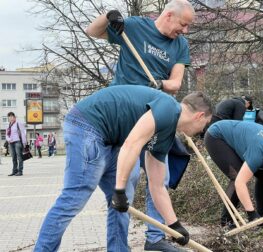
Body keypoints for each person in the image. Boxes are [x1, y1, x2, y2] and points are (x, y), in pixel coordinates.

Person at [34, 85, 212, 252]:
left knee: (122, 201)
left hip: (110, 140)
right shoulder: (169, 108)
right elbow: (131, 144)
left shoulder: (167, 134)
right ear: (199, 116)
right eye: (205, 124)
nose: (202, 131)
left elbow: (157, 186)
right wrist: (118, 189)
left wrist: (174, 225)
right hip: (87, 124)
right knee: (75, 196)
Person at [86, 0, 194, 250]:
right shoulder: (134, 28)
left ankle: (155, 238)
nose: (185, 30)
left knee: (161, 178)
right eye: (183, 24)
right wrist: (109, 16)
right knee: (128, 178)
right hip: (124, 113)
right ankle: (119, 245)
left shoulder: (180, 44)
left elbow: (176, 83)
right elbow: (92, 31)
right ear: (168, 15)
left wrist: (159, 84)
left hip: (156, 115)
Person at [5, 112, 27, 176]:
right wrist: (8, 139)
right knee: (13, 157)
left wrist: (24, 142)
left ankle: (20, 171)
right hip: (11, 143)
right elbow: (6, 135)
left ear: (14, 117)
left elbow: (23, 133)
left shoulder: (18, 123)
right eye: (9, 117)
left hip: (18, 142)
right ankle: (14, 171)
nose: (10, 118)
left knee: (19, 157)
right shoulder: (8, 125)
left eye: (12, 116)